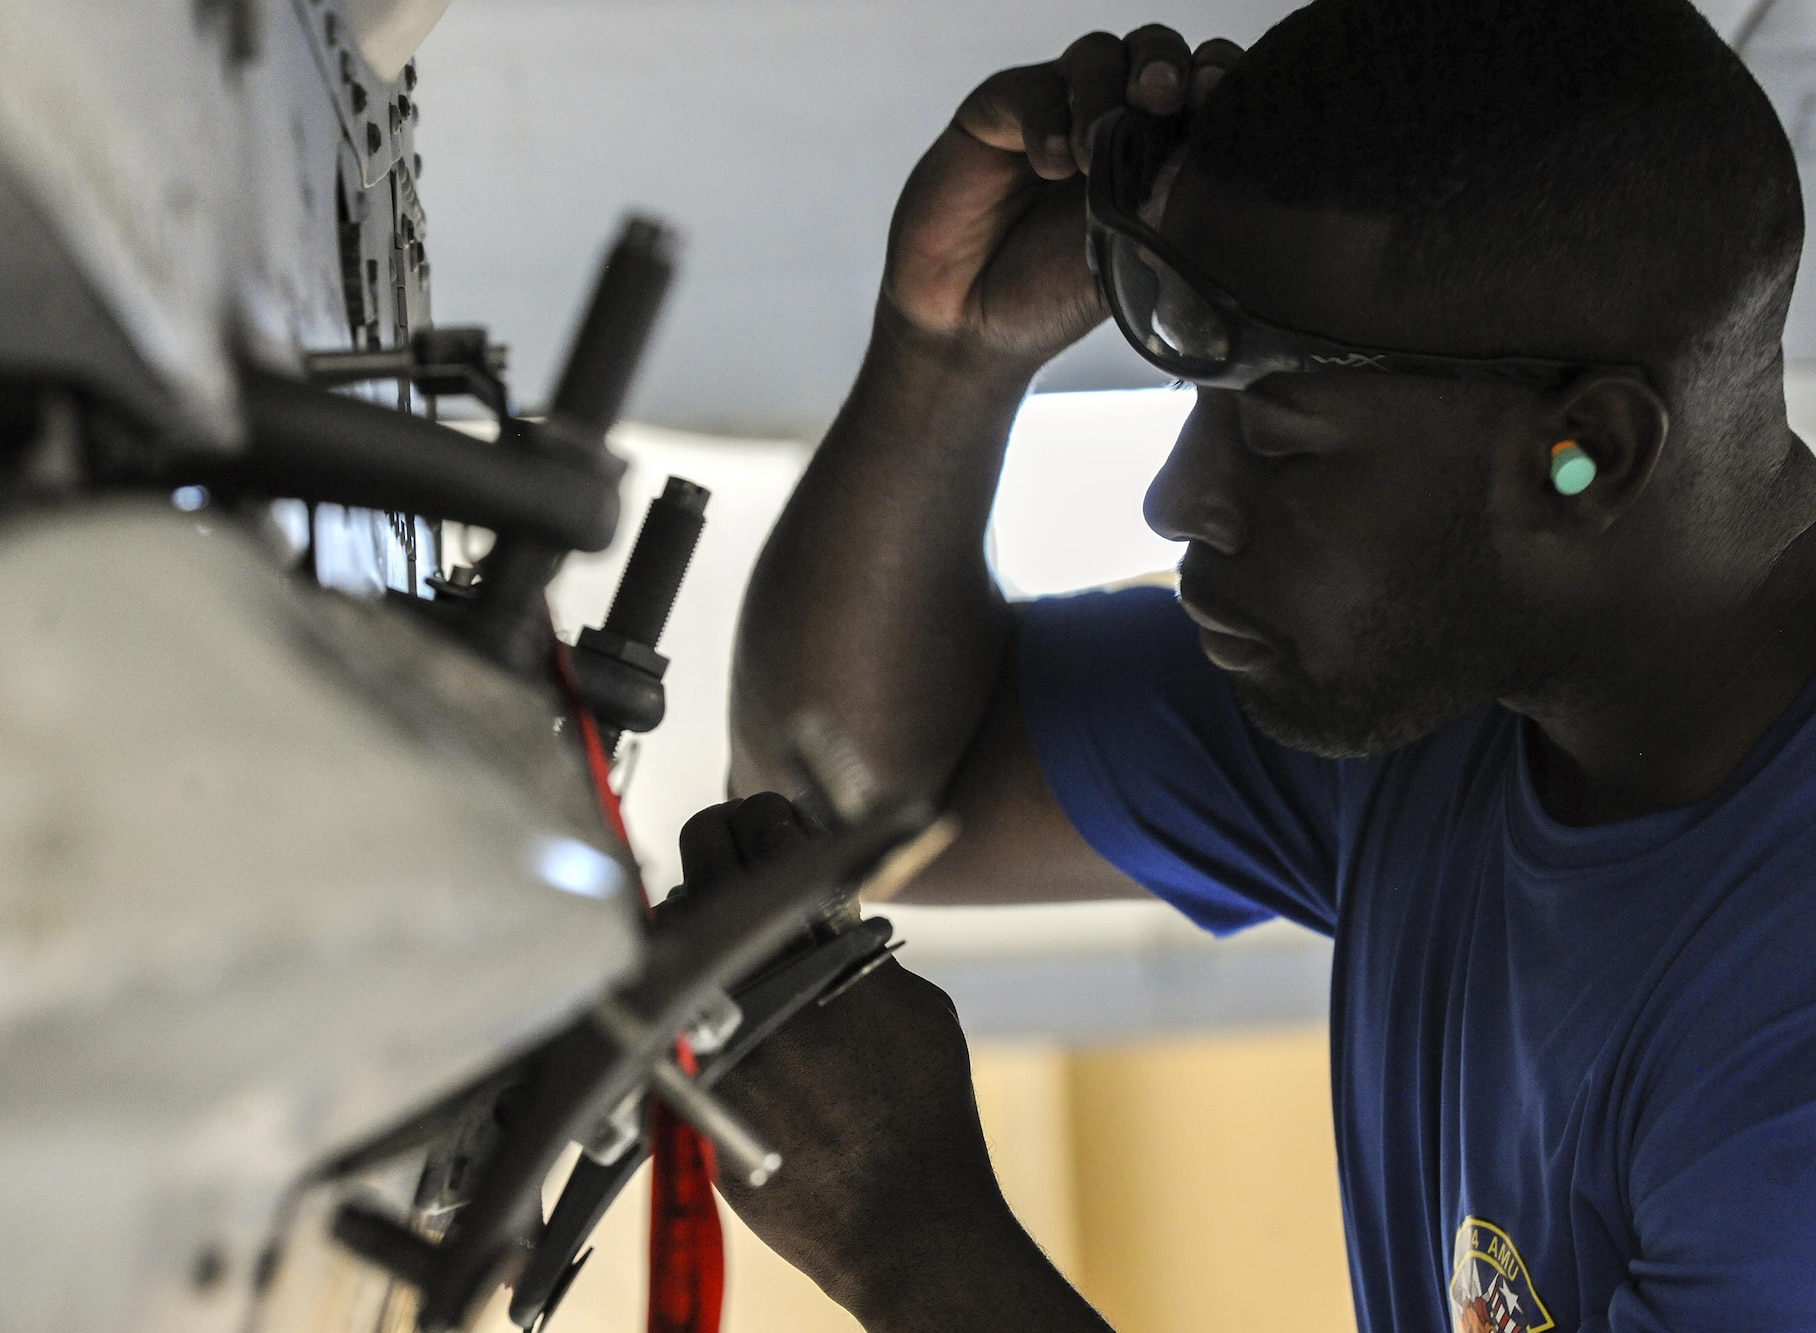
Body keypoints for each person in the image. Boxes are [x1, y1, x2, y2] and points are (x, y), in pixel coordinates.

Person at [705, 0, 1816, 1329]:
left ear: (1586, 452)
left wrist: (913, 1236)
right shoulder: (1466, 697)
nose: (1178, 499)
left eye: (1280, 439)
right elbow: (854, 807)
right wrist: (948, 356)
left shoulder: (1786, 1050)